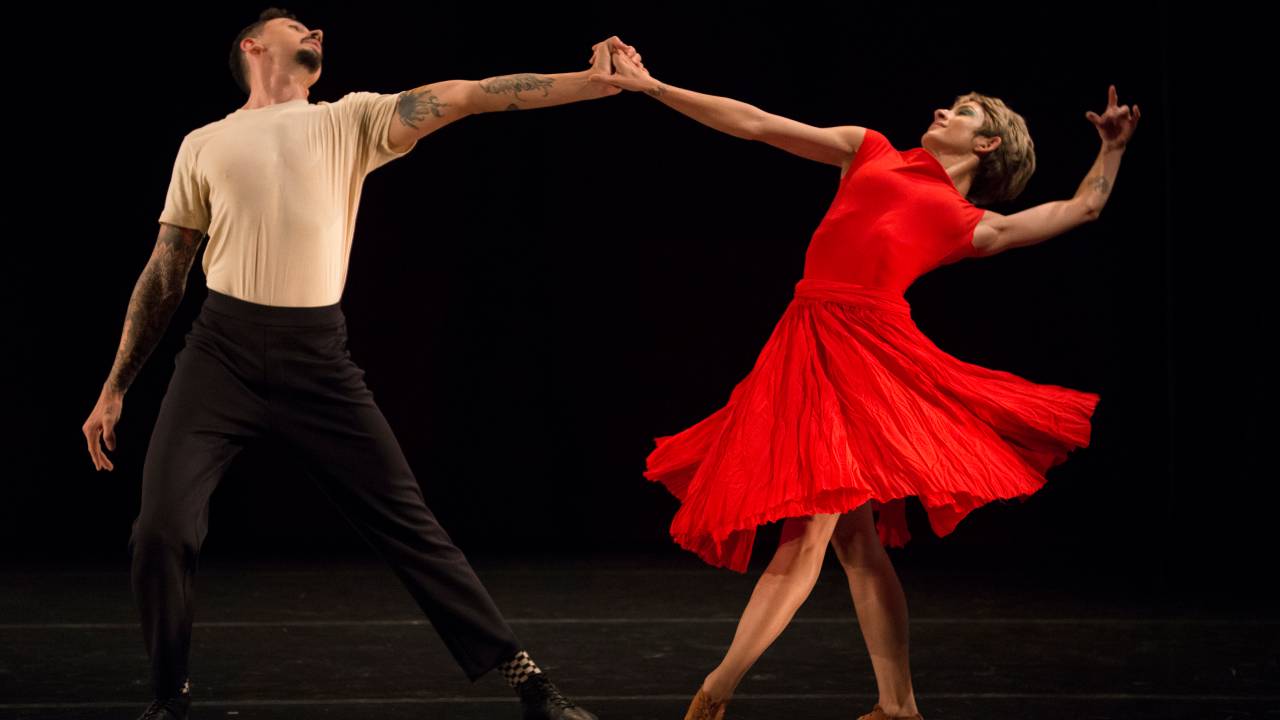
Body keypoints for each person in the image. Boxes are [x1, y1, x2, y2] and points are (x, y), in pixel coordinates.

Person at [80, 8, 641, 720]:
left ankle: (528, 681)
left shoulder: (349, 121)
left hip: (317, 357)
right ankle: (169, 697)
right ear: (252, 46)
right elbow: (166, 273)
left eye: (317, 28)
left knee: (410, 525)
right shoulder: (204, 144)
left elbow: (468, 94)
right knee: (160, 528)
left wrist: (589, 83)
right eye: (297, 25)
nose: (317, 30)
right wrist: (114, 387)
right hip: (220, 352)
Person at [592, 49, 1138, 720]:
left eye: (961, 112)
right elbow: (757, 123)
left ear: (987, 142)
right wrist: (652, 88)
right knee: (854, 539)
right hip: (806, 343)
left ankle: (715, 694)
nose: (941, 110)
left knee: (813, 534)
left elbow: (1082, 209)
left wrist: (1110, 150)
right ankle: (898, 705)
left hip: (865, 360)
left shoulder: (971, 224)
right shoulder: (869, 150)